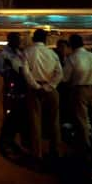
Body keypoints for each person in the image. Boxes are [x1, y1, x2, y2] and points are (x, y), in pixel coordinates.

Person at [22, 28, 64, 160]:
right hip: (51, 90)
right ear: (45, 40)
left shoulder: (27, 52)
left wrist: (37, 87)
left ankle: (37, 153)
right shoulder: (52, 54)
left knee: (35, 123)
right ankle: (56, 150)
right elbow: (59, 73)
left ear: (34, 38)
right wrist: (49, 86)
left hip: (34, 90)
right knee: (54, 121)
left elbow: (26, 73)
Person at [63, 34, 92, 149]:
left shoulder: (72, 58)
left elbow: (65, 78)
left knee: (82, 120)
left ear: (71, 45)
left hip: (79, 89)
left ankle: (86, 146)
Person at [0, 32, 27, 156]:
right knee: (9, 116)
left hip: (21, 88)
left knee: (20, 115)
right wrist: (8, 73)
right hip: (10, 88)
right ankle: (5, 141)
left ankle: (14, 140)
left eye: (19, 40)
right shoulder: (3, 54)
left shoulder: (19, 52)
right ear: (10, 40)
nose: (19, 42)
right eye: (16, 40)